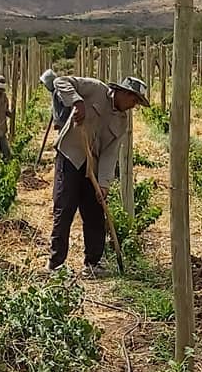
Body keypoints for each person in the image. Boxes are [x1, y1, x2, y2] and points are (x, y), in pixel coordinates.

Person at [41, 69, 149, 273]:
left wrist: (104, 183)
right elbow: (61, 82)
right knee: (64, 209)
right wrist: (76, 101)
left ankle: (92, 263)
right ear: (124, 93)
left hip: (93, 167)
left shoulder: (122, 121)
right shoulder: (95, 88)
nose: (134, 106)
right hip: (71, 156)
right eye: (134, 100)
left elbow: (110, 153)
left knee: (94, 214)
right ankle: (55, 264)